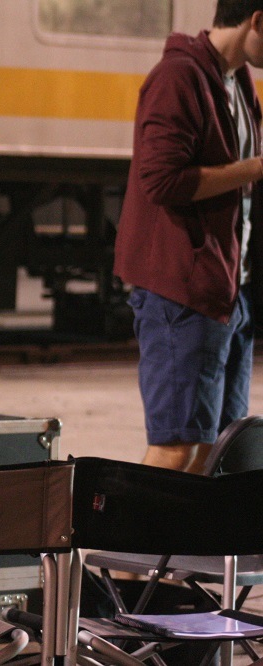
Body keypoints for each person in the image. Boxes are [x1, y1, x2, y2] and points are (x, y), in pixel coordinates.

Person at [115, 0, 263, 474]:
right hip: (183, 291)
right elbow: (161, 181)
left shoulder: (237, 81)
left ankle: (181, 530)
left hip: (226, 292)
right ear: (257, 20)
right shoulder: (178, 77)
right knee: (176, 447)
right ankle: (136, 525)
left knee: (217, 449)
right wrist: (256, 168)